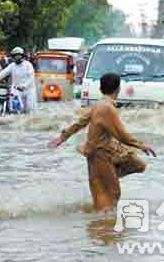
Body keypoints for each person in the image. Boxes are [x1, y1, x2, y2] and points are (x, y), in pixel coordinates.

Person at [48, 73, 156, 212]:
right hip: (100, 154)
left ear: (100, 89)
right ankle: (102, 227)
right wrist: (141, 145)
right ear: (118, 89)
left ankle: (100, 220)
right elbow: (123, 135)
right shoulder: (107, 108)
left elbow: (80, 122)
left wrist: (63, 137)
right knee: (111, 195)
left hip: (101, 152)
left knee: (131, 171)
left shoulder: (99, 104)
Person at [0, 46, 37, 113]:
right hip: (16, 90)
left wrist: (24, 86)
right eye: (15, 56)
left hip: (29, 91)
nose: (17, 57)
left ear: (22, 56)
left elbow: (31, 78)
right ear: (13, 57)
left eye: (18, 55)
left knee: (29, 109)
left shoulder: (28, 65)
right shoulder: (12, 66)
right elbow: (2, 73)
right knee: (15, 109)